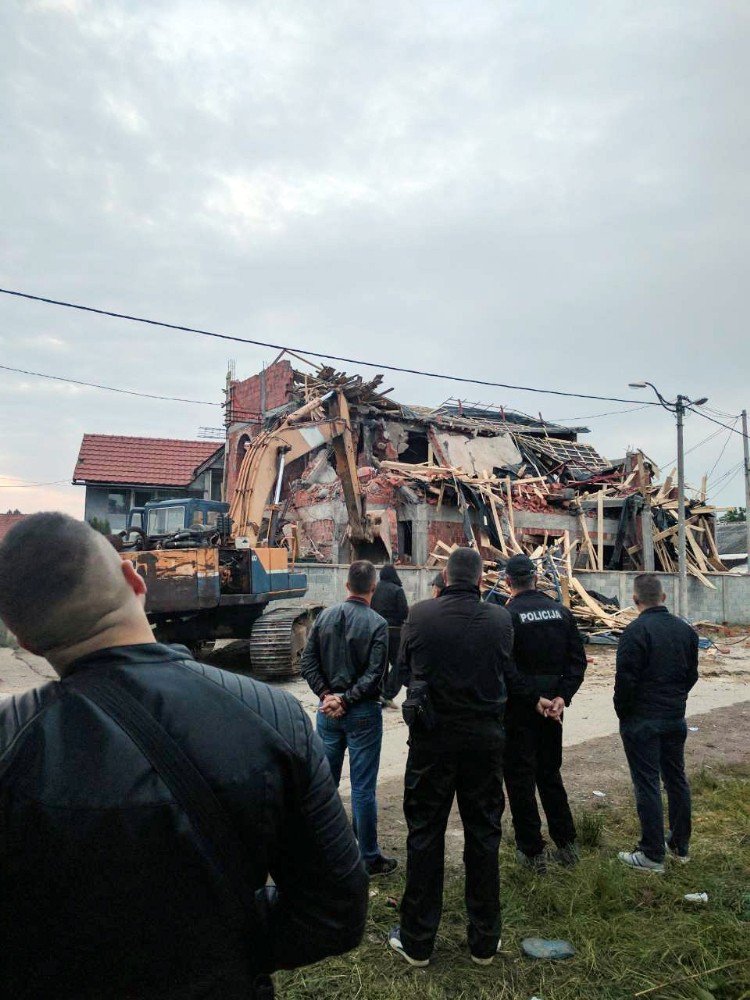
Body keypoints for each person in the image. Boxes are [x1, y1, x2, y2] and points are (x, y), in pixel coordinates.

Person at [0, 513, 368, 1000]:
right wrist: (220, 942)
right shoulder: (270, 716)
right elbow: (335, 912)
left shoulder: (11, 740)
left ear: (24, 640)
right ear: (136, 582)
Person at [388, 547, 551, 967]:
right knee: (484, 834)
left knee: (424, 834)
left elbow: (405, 671)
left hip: (432, 743)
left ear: (445, 574)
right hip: (484, 742)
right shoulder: (500, 618)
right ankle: (484, 941)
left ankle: (417, 940)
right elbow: (506, 672)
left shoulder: (420, 615)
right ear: (481, 579)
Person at [300, 560, 397, 877]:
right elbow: (375, 674)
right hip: (362, 713)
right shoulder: (377, 623)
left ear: (346, 585)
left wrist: (326, 695)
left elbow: (308, 661)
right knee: (362, 788)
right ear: (373, 587)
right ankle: (368, 858)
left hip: (328, 713)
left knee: (325, 785)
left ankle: (321, 853)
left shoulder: (324, 617)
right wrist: (345, 698)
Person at [502, 553, 588, 871]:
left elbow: (506, 667)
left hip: (520, 711)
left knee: (520, 779)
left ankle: (532, 852)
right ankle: (567, 845)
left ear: (509, 582)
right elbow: (577, 661)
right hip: (553, 711)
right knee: (550, 775)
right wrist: (562, 697)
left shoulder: (506, 617)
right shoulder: (561, 612)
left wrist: (531, 698)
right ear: (536, 579)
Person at [614, 573, 699, 874]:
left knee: (647, 782)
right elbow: (692, 675)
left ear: (635, 600)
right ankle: (679, 845)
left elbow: (625, 681)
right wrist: (675, 700)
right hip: (674, 717)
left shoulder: (635, 632)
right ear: (664, 598)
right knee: (676, 780)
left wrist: (625, 714)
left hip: (643, 721)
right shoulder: (685, 631)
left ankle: (651, 854)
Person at [371, 563, 410, 703]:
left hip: (376, 631)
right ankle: (388, 694)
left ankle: (380, 694)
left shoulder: (374, 589)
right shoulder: (397, 590)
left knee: (382, 664)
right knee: (399, 664)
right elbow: (404, 613)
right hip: (394, 632)